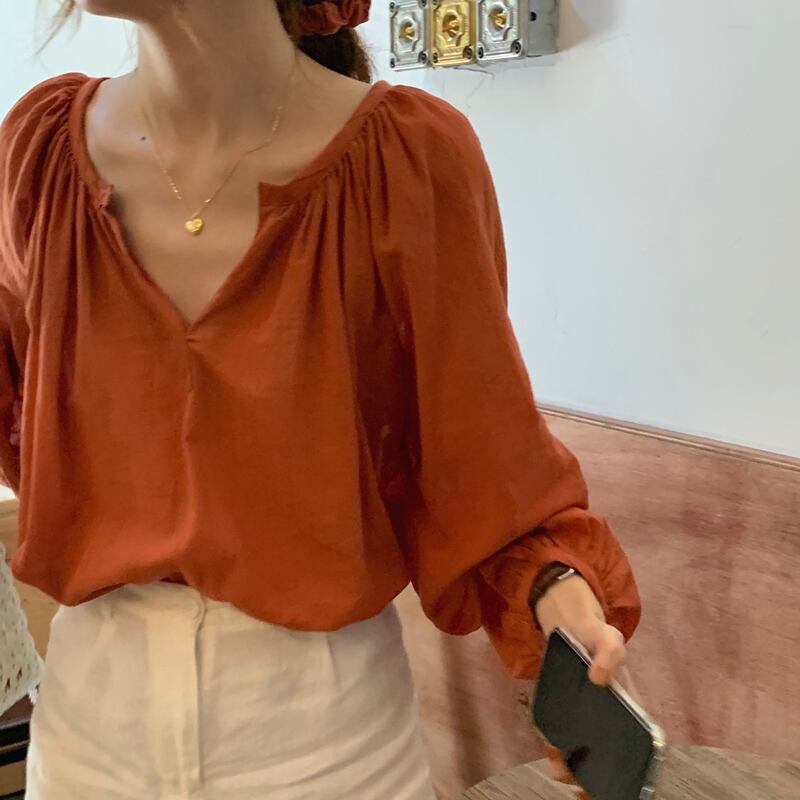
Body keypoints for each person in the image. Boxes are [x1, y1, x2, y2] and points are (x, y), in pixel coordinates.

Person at [0, 0, 641, 797]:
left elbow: (484, 461)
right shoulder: (37, 156)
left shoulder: (408, 160)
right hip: (85, 741)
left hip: (325, 749)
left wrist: (556, 594)